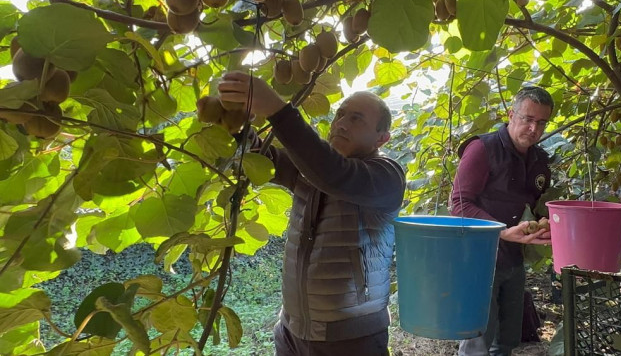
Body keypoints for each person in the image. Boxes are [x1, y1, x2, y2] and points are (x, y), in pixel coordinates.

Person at [217, 72, 406, 356]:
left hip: (352, 340)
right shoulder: (310, 171)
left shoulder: (386, 177)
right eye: (340, 115)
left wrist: (276, 110)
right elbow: (265, 161)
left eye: (356, 119)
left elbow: (335, 174)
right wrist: (238, 130)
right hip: (293, 332)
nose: (341, 124)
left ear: (382, 138)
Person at [450, 86, 554, 356]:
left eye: (541, 122)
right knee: (477, 342)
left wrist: (544, 228)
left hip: (513, 259)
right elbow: (459, 204)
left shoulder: (539, 160)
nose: (533, 128)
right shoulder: (482, 148)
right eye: (527, 119)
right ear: (511, 114)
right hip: (478, 260)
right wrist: (501, 231)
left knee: (507, 341)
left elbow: (534, 209)